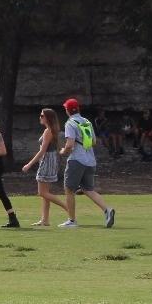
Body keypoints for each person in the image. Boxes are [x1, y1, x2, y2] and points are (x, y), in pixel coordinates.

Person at [58, 98, 115, 228]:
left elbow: (70, 144)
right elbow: (94, 141)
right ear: (78, 109)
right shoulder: (86, 121)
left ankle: (72, 221)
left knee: (69, 190)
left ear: (67, 110)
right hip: (90, 160)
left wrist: (62, 151)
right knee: (88, 189)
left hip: (76, 160)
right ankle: (107, 210)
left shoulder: (70, 123)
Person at [21, 108, 69, 226]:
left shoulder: (48, 131)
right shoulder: (51, 130)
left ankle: (68, 208)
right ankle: (45, 220)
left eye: (42, 116)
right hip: (51, 160)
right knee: (45, 193)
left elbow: (42, 151)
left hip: (47, 160)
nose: (40, 117)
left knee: (42, 193)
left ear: (48, 118)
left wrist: (29, 164)